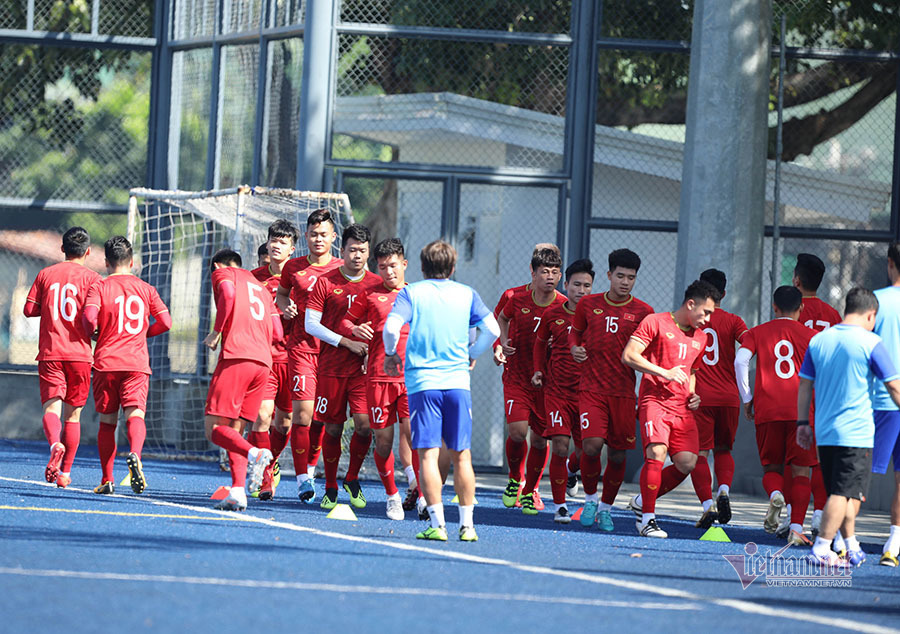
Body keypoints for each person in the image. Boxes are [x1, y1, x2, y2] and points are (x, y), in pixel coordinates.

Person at [383, 240, 500, 541]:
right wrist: (473, 352)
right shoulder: (467, 294)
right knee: (462, 455)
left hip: (424, 384)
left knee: (428, 456)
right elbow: (494, 330)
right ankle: (468, 526)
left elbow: (391, 327)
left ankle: (438, 525)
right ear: (452, 267)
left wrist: (390, 352)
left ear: (421, 267)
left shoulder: (412, 292)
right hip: (458, 383)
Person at [797, 287, 900, 567]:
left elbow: (805, 384)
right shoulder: (871, 342)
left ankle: (850, 544)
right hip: (856, 432)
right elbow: (893, 385)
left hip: (825, 431)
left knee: (842, 492)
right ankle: (822, 546)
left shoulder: (819, 340)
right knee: (843, 493)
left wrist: (803, 423)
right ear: (871, 314)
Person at [623, 280, 720, 538]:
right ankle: (647, 519)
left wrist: (692, 394)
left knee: (687, 463)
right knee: (656, 451)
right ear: (690, 304)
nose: (708, 320)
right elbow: (630, 355)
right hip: (654, 401)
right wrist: (663, 372)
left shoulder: (701, 337)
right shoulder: (655, 321)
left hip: (682, 408)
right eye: (706, 312)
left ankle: (642, 501)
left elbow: (692, 372)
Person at [569, 249, 653, 530]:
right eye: (620, 276)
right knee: (591, 447)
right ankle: (590, 499)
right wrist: (574, 348)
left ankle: (606, 507)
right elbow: (575, 331)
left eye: (631, 277)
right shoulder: (588, 304)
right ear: (609, 276)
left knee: (618, 455)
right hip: (591, 389)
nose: (625, 282)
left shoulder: (644, 312)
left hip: (624, 393)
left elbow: (649, 354)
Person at [82, 236, 171, 495]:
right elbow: (166, 322)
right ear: (132, 262)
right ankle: (135, 454)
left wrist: (95, 333)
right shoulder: (145, 288)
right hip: (136, 363)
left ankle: (107, 479)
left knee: (108, 422)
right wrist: (143, 333)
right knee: (135, 415)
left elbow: (89, 317)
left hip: (107, 361)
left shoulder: (99, 286)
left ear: (107, 262)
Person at [340, 237, 420, 520]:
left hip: (412, 379)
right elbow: (346, 321)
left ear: (404, 264)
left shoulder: (417, 295)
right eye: (383, 267)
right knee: (384, 441)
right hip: (378, 378)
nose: (388, 272)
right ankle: (392, 496)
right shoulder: (370, 294)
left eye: (393, 266)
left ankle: (421, 494)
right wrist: (355, 329)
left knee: (415, 436)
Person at [305, 224, 381, 510]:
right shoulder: (325, 282)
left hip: (363, 370)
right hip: (331, 367)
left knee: (364, 426)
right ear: (342, 251)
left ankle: (352, 477)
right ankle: (331, 486)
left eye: (362, 251)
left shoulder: (377, 283)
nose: (357, 256)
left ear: (368, 252)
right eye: (352, 250)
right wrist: (346, 342)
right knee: (333, 429)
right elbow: (310, 324)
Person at [734, 286, 816, 544]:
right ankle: (796, 528)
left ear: (774, 307)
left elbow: (740, 361)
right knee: (802, 471)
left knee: (772, 467)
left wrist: (747, 399)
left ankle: (775, 495)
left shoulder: (757, 332)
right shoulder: (812, 336)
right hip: (802, 411)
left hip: (768, 410)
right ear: (801, 308)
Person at [202, 249, 281, 511]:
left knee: (213, 429)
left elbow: (227, 294)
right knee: (234, 430)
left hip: (237, 357)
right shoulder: (259, 286)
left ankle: (254, 453)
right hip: (263, 364)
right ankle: (238, 491)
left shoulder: (223, 274)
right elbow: (278, 331)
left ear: (216, 266)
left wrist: (217, 332)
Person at [24, 227, 102, 488]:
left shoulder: (46, 274)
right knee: (73, 416)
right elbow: (95, 316)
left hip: (50, 353)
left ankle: (54, 444)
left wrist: (48, 310)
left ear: (62, 249)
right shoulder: (94, 279)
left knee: (51, 408)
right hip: (80, 354)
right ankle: (66, 473)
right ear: (88, 251)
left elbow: (28, 309)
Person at [276, 209, 343, 502]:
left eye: (323, 234)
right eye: (313, 234)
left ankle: (312, 468)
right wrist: (284, 306)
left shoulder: (342, 268)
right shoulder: (293, 267)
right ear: (306, 236)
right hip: (301, 349)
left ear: (333, 237)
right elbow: (281, 294)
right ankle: (302, 478)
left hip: (332, 354)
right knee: (301, 416)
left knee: (321, 419)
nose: (318, 239)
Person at [497, 248, 564, 513]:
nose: (550, 277)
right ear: (533, 273)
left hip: (548, 384)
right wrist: (502, 340)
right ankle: (516, 478)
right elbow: (502, 317)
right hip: (517, 378)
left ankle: (531, 490)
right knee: (517, 432)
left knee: (539, 440)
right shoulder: (517, 299)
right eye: (544, 272)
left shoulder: (564, 306)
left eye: (555, 272)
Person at [532, 258, 594, 523]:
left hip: (588, 395)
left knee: (585, 452)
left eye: (587, 286)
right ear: (566, 285)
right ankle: (559, 505)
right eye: (577, 285)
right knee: (559, 445)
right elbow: (539, 345)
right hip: (557, 392)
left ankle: (572, 470)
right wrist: (538, 370)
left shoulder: (596, 315)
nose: (581, 290)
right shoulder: (553, 314)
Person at [691, 269, 748, 528]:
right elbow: (749, 346)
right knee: (724, 449)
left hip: (699, 396)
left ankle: (707, 504)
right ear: (724, 294)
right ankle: (723, 489)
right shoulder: (734, 321)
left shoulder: (694, 318)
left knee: (699, 452)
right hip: (728, 397)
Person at [792, 253, 841, 538]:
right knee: (820, 457)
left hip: (794, 393)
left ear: (796, 280)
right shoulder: (832, 314)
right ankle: (819, 514)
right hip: (824, 392)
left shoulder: (790, 308)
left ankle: (791, 516)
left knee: (796, 459)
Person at [249, 221, 300, 500]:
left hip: (294, 360)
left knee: (285, 423)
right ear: (267, 244)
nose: (276, 245)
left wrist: (297, 314)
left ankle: (271, 459)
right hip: (264, 358)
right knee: (261, 417)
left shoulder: (302, 278)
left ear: (292, 249)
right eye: (273, 240)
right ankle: (266, 478)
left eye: (283, 242)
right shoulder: (253, 279)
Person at [871, 243, 900, 566]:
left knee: (858, 472)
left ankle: (840, 539)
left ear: (891, 263)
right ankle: (893, 545)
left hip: (879, 400)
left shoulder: (875, 301)